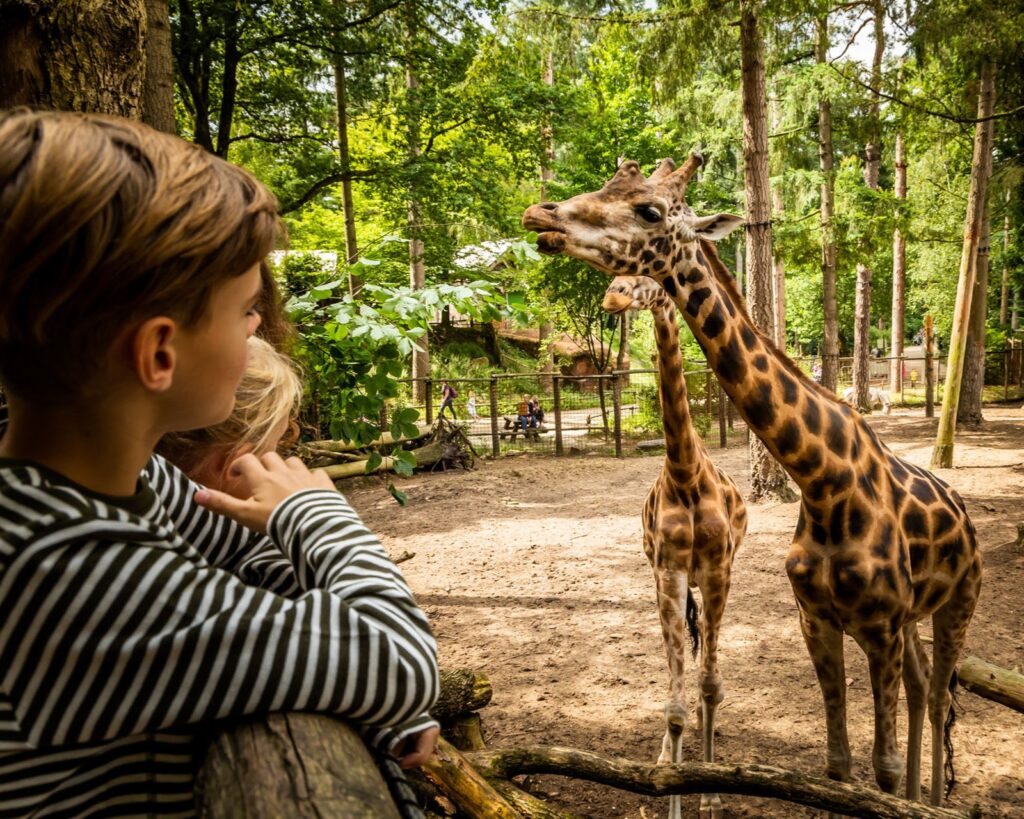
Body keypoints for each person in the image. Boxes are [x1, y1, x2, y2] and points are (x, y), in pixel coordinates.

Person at [0, 110, 439, 817]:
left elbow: (256, 564)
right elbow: (399, 655)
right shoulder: (63, 562)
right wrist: (315, 514)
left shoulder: (130, 480)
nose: (258, 323)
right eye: (243, 310)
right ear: (160, 355)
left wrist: (356, 679)